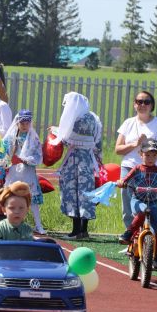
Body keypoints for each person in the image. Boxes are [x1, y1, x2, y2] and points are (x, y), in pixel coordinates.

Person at [116, 139, 157, 271]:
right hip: (137, 200)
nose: (151, 158)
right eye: (147, 155)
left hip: (152, 203)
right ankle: (128, 233)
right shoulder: (137, 169)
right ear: (140, 154)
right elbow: (125, 179)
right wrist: (122, 182)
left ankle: (155, 257)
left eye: (154, 155)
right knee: (143, 210)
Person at [115, 91, 157, 233]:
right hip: (129, 168)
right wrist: (135, 144)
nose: (142, 105)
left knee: (149, 206)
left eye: (146, 102)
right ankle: (130, 238)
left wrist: (150, 144)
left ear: (152, 105)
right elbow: (118, 149)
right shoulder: (128, 123)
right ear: (134, 104)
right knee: (128, 206)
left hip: (150, 171)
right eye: (139, 101)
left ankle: (147, 238)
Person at [52, 92, 103, 239]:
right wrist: (99, 160)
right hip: (88, 160)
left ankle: (75, 230)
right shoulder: (93, 118)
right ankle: (83, 230)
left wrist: (55, 131)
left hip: (73, 160)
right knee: (86, 193)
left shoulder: (75, 118)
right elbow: (97, 142)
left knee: (71, 192)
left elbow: (67, 137)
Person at [4, 109, 46, 235]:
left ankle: (38, 225)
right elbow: (4, 152)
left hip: (27, 171)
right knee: (10, 196)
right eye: (22, 122)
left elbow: (38, 156)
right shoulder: (11, 137)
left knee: (31, 198)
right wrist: (6, 161)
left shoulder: (34, 138)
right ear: (17, 122)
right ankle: (9, 223)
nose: (24, 125)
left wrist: (24, 160)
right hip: (13, 171)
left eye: (27, 122)